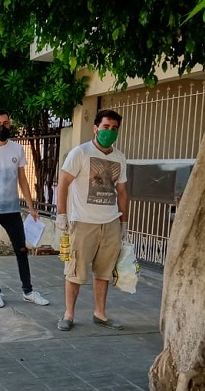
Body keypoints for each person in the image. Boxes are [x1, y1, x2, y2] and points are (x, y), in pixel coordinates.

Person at [55, 109, 130, 331]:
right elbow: (63, 182)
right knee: (76, 270)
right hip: (83, 222)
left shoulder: (119, 157)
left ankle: (100, 313)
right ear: (95, 128)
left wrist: (124, 222)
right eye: (106, 127)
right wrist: (61, 214)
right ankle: (68, 314)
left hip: (110, 224)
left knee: (104, 271)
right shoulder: (81, 152)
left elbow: (123, 192)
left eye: (114, 129)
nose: (109, 132)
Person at [0, 109, 50, 309]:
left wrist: (31, 208)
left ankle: (28, 291)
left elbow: (22, 179)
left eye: (5, 123)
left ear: (10, 125)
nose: (1, 127)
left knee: (21, 249)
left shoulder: (17, 149)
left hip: (12, 210)